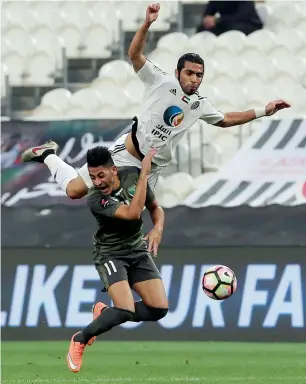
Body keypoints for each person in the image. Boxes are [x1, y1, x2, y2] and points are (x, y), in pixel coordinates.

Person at [22, 3, 290, 197]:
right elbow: (135, 55)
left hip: (151, 170)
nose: (195, 79)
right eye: (190, 73)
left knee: (133, 218)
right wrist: (147, 23)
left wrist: (264, 110)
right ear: (177, 72)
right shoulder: (160, 81)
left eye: (199, 75)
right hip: (126, 155)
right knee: (73, 191)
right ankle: (47, 155)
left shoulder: (199, 104)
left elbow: (225, 119)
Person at [66, 145, 168, 373]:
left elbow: (155, 208)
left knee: (159, 309)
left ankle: (104, 313)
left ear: (114, 170)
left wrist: (158, 227)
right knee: (124, 310)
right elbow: (132, 213)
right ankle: (81, 338)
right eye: (92, 177)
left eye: (101, 175)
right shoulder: (94, 199)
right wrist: (145, 174)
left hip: (137, 250)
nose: (97, 182)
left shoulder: (131, 175)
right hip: (111, 253)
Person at [196, 1, 263, 36]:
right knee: (202, 29)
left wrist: (217, 20)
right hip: (226, 23)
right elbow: (208, 13)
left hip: (248, 23)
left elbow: (242, 16)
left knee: (234, 29)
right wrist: (206, 20)